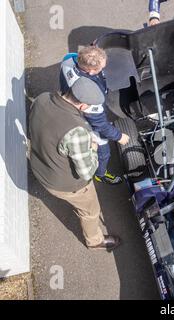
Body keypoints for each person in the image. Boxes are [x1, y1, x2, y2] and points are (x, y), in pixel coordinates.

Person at [29, 77, 121, 250]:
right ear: (83, 105)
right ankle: (94, 241)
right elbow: (87, 172)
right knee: (91, 211)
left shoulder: (42, 98)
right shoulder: (77, 131)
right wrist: (93, 147)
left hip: (39, 163)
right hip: (63, 184)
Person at [60, 46, 129, 185]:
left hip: (66, 98)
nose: (103, 69)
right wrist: (119, 136)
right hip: (85, 118)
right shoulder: (90, 101)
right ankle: (100, 174)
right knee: (104, 150)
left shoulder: (68, 60)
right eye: (101, 68)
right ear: (91, 72)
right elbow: (101, 125)